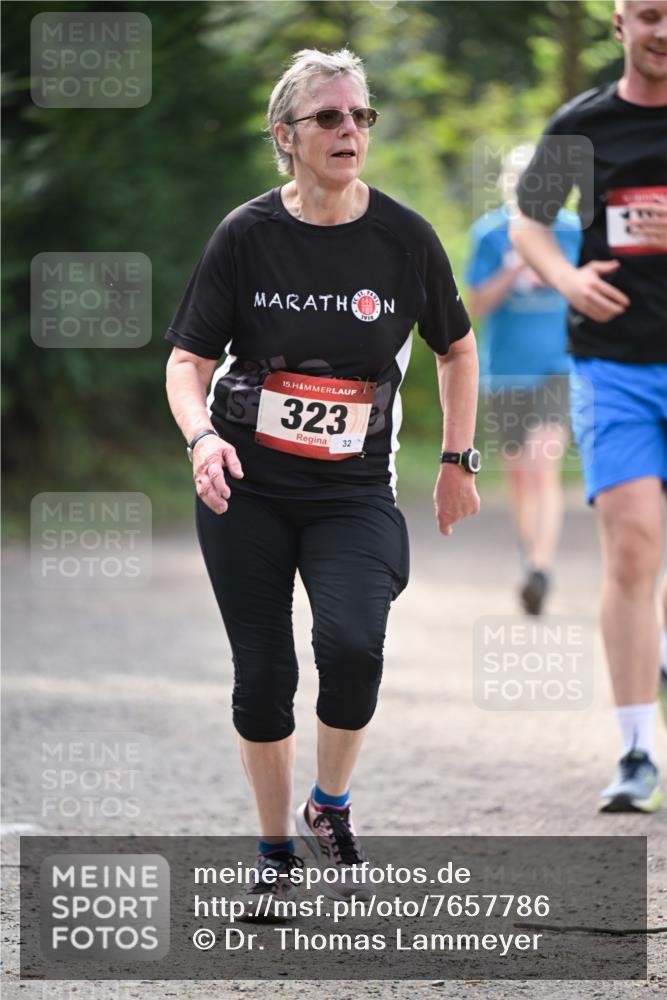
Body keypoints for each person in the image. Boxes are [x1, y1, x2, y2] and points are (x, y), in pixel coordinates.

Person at [164, 48, 480, 913]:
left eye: (360, 117)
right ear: (286, 136)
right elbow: (187, 360)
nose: (349, 131)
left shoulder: (403, 238)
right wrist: (200, 440)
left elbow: (455, 349)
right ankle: (272, 855)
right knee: (261, 675)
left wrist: (456, 459)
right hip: (247, 487)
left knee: (351, 647)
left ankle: (327, 803)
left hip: (350, 492)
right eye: (330, 118)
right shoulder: (247, 234)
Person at [511, 0, 667, 813]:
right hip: (614, 365)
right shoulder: (582, 123)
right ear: (619, 25)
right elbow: (528, 222)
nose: (661, 30)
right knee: (634, 550)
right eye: (646, 15)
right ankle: (637, 749)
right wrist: (568, 278)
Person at [466, 144, 582, 614]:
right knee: (518, 474)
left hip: (558, 367)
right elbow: (476, 305)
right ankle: (528, 544)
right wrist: (516, 264)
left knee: (542, 463)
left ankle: (540, 568)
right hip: (505, 371)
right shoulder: (490, 235)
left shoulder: (574, 231)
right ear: (507, 186)